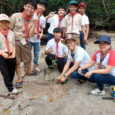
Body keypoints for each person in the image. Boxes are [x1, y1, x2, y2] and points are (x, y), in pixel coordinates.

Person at [9, 0, 37, 88]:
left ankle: (28, 71)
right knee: (17, 60)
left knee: (28, 57)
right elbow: (9, 28)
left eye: (32, 8)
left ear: (34, 10)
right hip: (15, 41)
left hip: (25, 40)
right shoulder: (15, 16)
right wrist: (10, 42)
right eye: (28, 6)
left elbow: (31, 35)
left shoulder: (33, 20)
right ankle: (19, 78)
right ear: (24, 6)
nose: (30, 9)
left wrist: (34, 24)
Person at [24, 0, 47, 73]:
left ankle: (35, 66)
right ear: (37, 5)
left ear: (44, 9)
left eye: (43, 6)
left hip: (37, 39)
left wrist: (42, 33)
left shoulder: (43, 18)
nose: (41, 7)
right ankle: (25, 68)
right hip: (29, 38)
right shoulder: (31, 14)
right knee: (27, 53)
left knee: (36, 53)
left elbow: (42, 27)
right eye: (40, 5)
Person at [0, 14, 21, 94]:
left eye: (6, 22)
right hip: (1, 54)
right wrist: (2, 53)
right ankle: (10, 89)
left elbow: (14, 44)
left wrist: (14, 53)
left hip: (11, 54)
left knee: (12, 71)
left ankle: (10, 84)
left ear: (9, 23)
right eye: (2, 22)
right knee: (5, 72)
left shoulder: (11, 33)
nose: (4, 24)